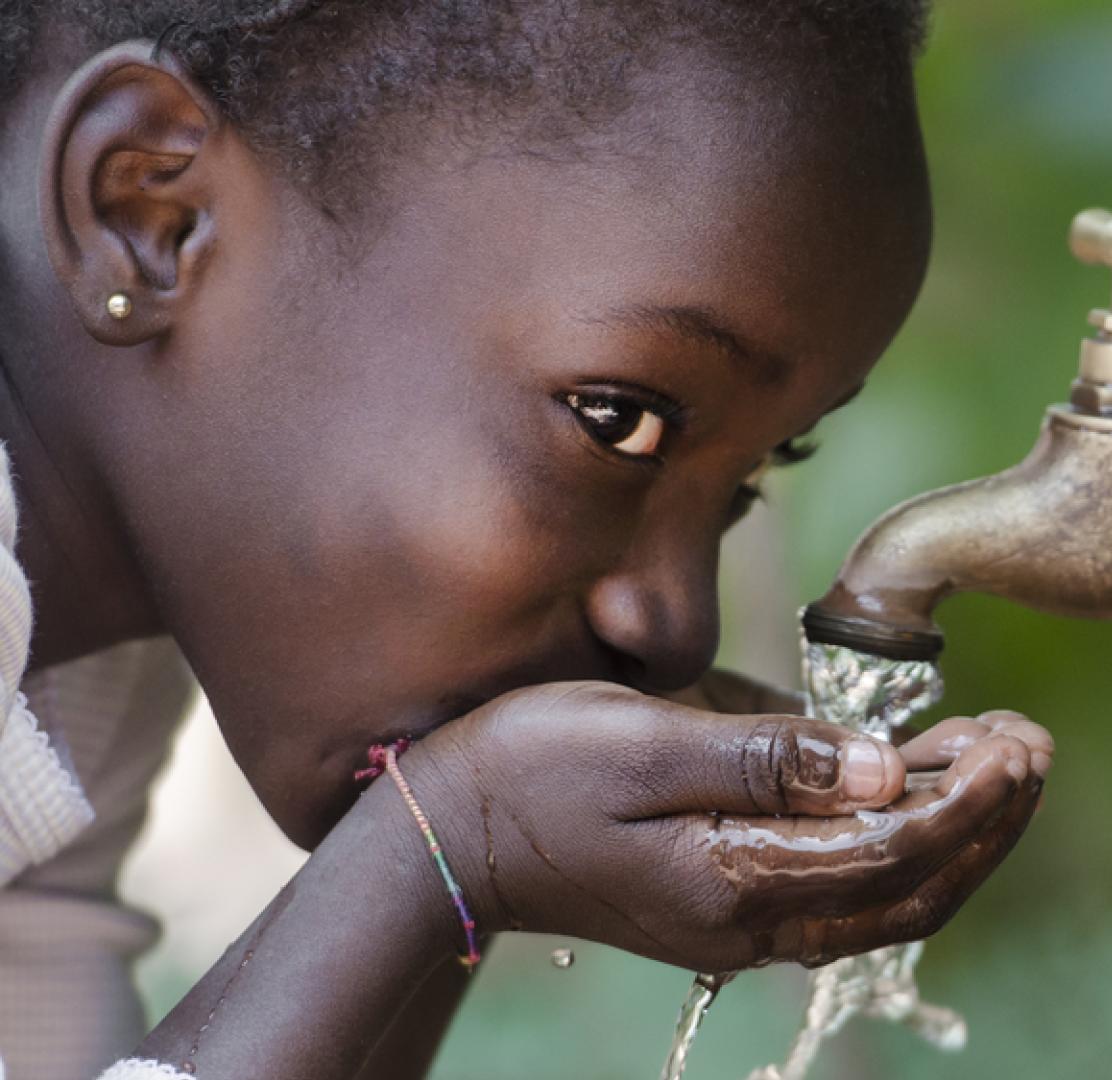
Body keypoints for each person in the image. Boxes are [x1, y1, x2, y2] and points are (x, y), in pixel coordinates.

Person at [0, 2, 1056, 1077]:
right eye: (617, 420)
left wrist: (474, 856)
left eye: (749, 479)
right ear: (150, 213)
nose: (676, 628)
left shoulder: (78, 671)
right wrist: (445, 846)